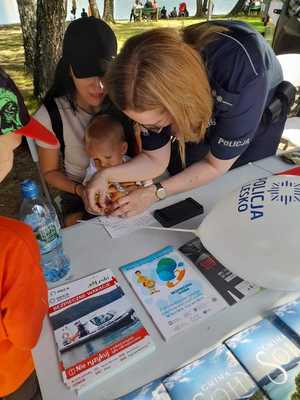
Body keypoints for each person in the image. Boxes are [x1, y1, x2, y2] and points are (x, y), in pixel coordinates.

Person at [86, 21, 291, 218]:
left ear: (179, 103)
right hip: (202, 99)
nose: (148, 130)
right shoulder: (139, 75)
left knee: (245, 191)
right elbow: (155, 160)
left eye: (154, 125)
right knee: (192, 179)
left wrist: (155, 192)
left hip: (258, 109)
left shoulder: (241, 72)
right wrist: (106, 175)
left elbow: (214, 166)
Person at [0, 68, 57, 399]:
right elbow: (26, 334)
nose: (20, 144)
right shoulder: (14, 243)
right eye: (12, 142)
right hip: (11, 380)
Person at [34, 17, 122, 227]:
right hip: (79, 192)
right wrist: (81, 190)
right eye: (86, 73)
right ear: (69, 69)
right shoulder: (51, 115)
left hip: (128, 182)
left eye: (104, 72)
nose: (98, 85)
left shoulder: (124, 102)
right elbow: (50, 172)